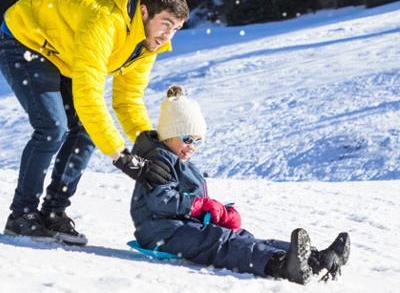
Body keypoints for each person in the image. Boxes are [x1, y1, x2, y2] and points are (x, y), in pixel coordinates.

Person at [0, 0, 190, 245]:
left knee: (86, 131)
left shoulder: (146, 45)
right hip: (23, 41)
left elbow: (128, 99)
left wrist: (154, 148)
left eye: (176, 29)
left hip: (64, 57)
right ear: (144, 12)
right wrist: (122, 157)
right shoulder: (106, 22)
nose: (168, 36)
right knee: (52, 128)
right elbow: (89, 96)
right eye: (166, 24)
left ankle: (53, 212)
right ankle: (21, 215)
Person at [129, 85, 351, 284]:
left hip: (177, 228)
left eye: (198, 141)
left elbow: (186, 202)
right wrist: (200, 206)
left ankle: (314, 258)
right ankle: (281, 265)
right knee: (221, 241)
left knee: (242, 237)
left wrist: (219, 213)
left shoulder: (178, 160)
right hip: (160, 233)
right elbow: (161, 201)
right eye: (187, 139)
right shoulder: (158, 160)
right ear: (169, 134)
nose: (192, 146)